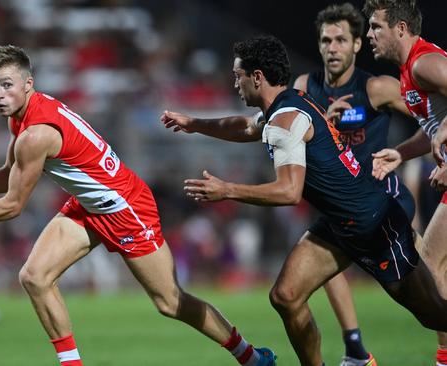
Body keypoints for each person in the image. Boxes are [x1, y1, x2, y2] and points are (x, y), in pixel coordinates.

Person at [0, 45, 276, 366]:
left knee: (170, 302)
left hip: (125, 207)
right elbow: (11, 172)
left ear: (28, 84)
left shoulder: (35, 134)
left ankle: (250, 357)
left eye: (7, 84)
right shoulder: (22, 119)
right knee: (34, 277)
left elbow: (12, 205)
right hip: (90, 205)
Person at [161, 35, 447, 366]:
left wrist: (227, 190)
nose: (235, 83)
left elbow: (288, 192)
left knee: (435, 316)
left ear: (257, 77)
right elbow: (244, 127)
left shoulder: (285, 120)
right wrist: (193, 124)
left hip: (375, 226)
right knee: (286, 296)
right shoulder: (289, 102)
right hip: (341, 223)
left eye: (238, 75)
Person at [294, 3, 431, 365]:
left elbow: (430, 115)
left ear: (357, 45)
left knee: (429, 292)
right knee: (289, 291)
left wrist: (410, 151)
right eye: (326, 40)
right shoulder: (305, 88)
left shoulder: (377, 87)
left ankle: (443, 356)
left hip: (383, 202)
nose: (332, 47)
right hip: (340, 208)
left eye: (341, 39)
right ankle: (355, 349)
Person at [362, 1, 447, 365]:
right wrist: (400, 153)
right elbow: (430, 128)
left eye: (375, 27)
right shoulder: (408, 74)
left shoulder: (423, 63)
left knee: (431, 262)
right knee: (431, 262)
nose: (369, 35)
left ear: (399, 28)